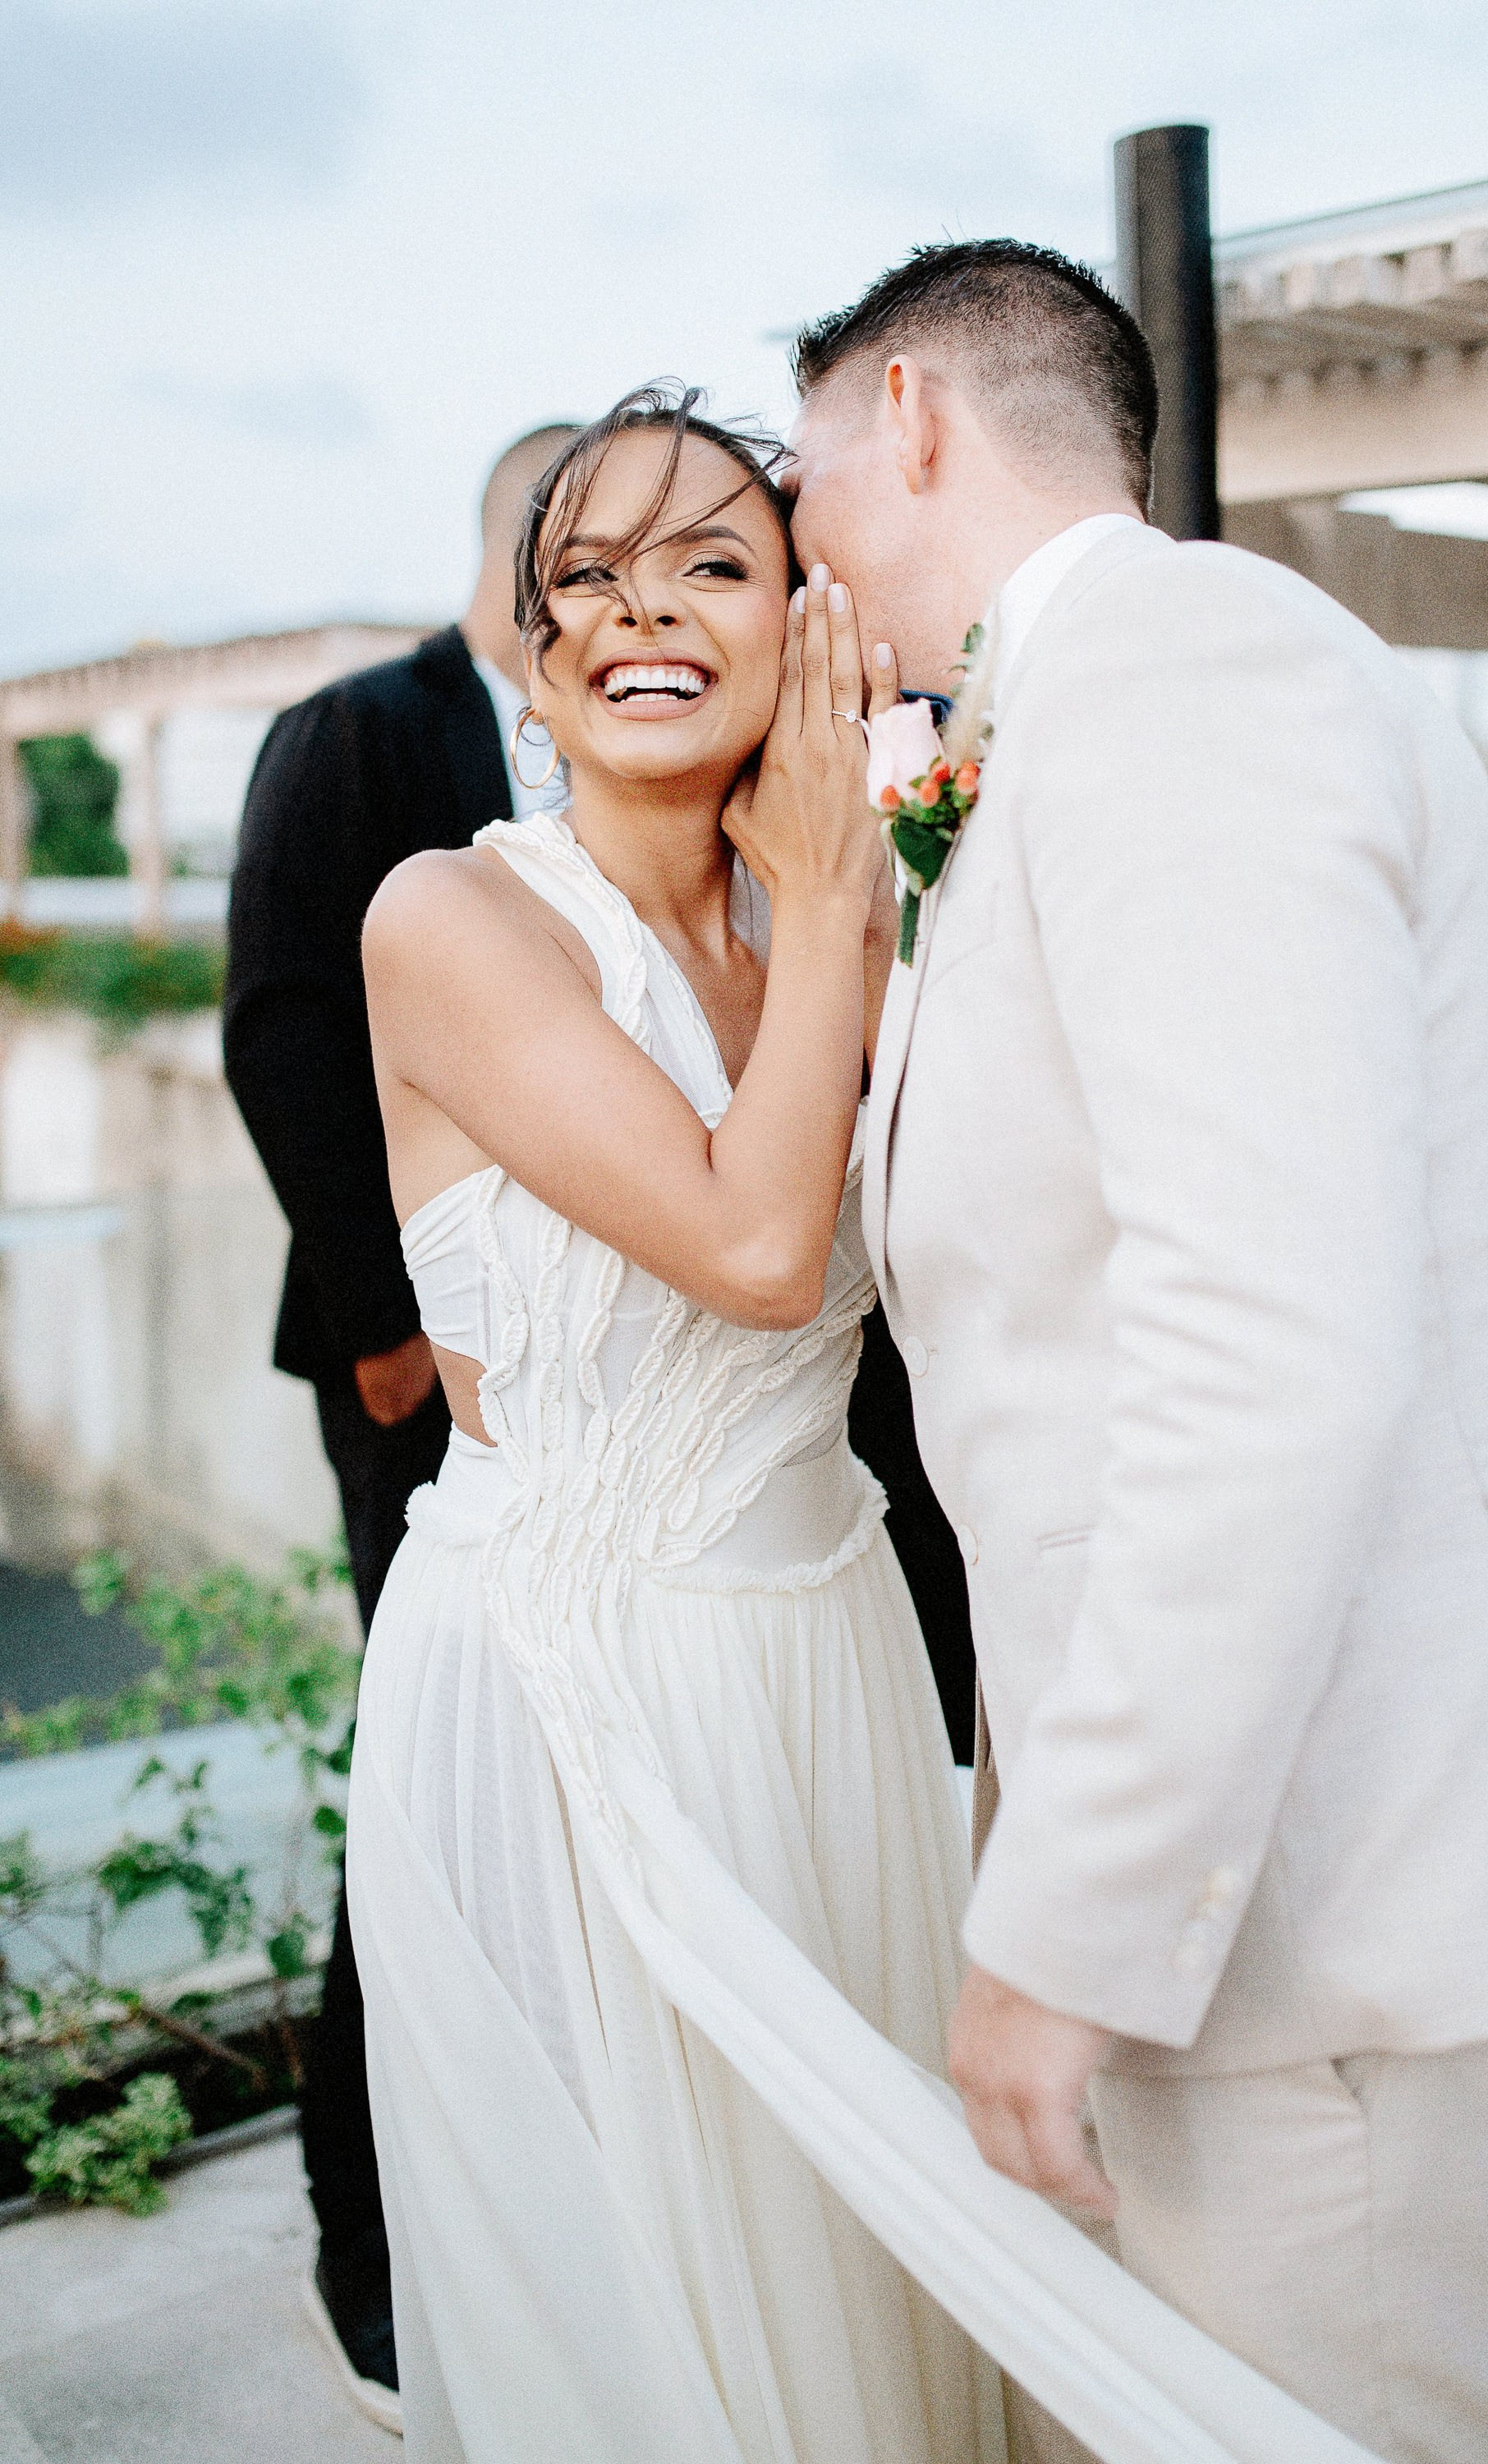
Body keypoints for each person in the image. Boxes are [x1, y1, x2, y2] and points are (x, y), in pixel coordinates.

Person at [783, 238, 1488, 2464]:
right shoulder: (1086, 708)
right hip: (1237, 1902)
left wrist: (1060, 1924)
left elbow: (1265, 1341)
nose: (806, 562)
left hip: (1310, 1907)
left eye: (802, 497)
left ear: (908, 416)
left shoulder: (1179, 663)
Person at [348, 388, 1003, 2462]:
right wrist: (833, 903)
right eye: (588, 578)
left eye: (713, 561)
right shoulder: (450, 920)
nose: (646, 612)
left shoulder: (868, 913)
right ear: (532, 651)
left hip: (831, 1665)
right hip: (569, 1698)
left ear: (806, 614)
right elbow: (750, 1245)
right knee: (641, 2341)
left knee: (871, 2292)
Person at [223, 421, 586, 2424]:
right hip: (416, 1371)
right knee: (430, 1771)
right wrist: (390, 1327)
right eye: (599, 549)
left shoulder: (630, 749)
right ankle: (357, 2223)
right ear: (528, 545)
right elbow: (280, 1029)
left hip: (612, 1361)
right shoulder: (356, 731)